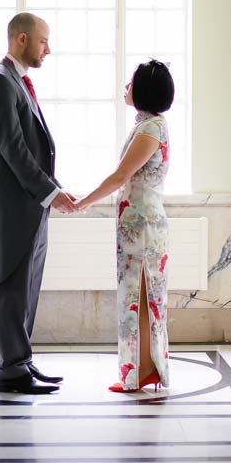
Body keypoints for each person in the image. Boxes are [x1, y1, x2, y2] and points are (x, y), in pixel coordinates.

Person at [0, 12, 77, 395]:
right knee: (14, 289)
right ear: (21, 40)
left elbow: (31, 148)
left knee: (27, 288)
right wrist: (50, 192)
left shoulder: (16, 81)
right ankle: (11, 370)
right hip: (14, 207)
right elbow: (13, 152)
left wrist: (53, 191)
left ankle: (22, 360)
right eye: (43, 41)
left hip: (31, 204)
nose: (49, 49)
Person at [76, 59, 174, 392]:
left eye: (130, 82)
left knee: (139, 296)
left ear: (144, 90)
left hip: (143, 223)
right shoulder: (150, 125)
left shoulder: (150, 129)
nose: (126, 87)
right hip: (140, 221)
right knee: (141, 296)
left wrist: (84, 201)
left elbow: (121, 175)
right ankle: (144, 369)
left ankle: (142, 372)